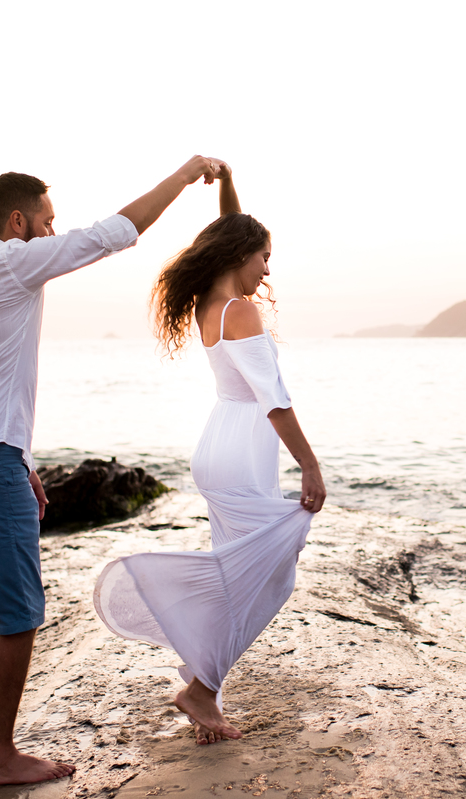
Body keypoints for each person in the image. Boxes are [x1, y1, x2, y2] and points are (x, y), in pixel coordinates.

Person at [0, 156, 227, 785]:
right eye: (47, 222)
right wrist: (185, 173)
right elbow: (116, 231)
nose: (54, 234)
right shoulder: (9, 262)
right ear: (16, 221)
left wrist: (21, 459)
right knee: (19, 615)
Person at [93, 165, 325, 745]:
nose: (267, 269)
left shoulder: (210, 303)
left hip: (218, 447)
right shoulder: (241, 311)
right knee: (266, 578)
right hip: (244, 450)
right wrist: (311, 465)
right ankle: (200, 688)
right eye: (264, 256)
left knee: (236, 575)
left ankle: (204, 694)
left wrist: (225, 182)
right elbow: (273, 401)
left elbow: (230, 229)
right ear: (242, 254)